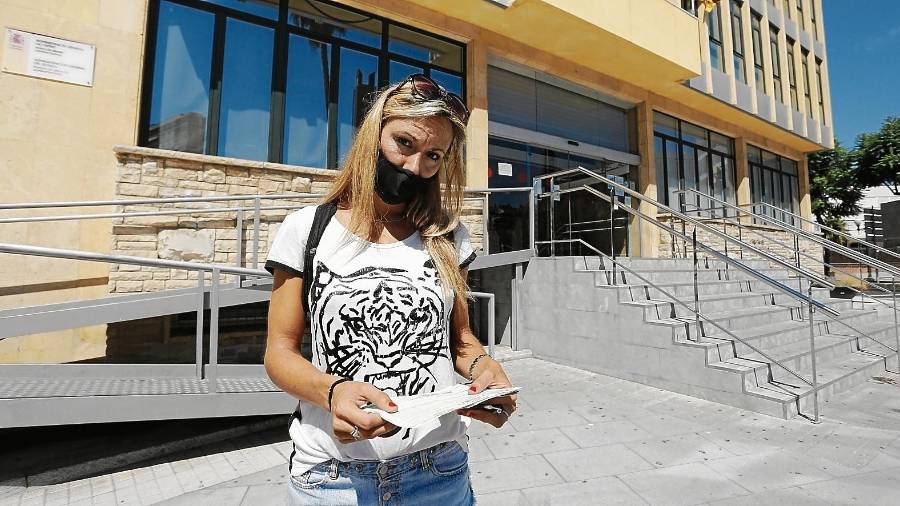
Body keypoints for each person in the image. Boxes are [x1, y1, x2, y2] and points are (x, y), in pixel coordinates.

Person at [264, 74, 517, 505]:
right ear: (373, 135)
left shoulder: (449, 238)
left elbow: (461, 340)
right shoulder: (305, 229)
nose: (415, 167)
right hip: (332, 478)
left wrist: (483, 369)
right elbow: (279, 353)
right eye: (404, 143)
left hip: (438, 472)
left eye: (433, 155)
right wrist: (332, 392)